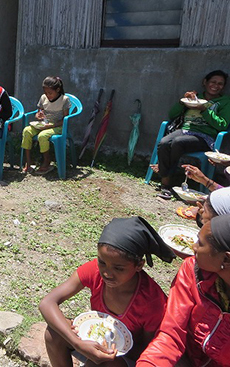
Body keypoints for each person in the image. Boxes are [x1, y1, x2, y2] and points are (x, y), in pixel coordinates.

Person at [39, 217, 176, 367]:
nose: (107, 273)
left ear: (139, 265)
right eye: (102, 262)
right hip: (95, 343)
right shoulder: (94, 271)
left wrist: (110, 349)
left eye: (119, 268)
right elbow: (47, 302)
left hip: (127, 358)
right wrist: (77, 342)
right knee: (54, 334)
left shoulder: (151, 301)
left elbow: (149, 349)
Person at [137, 214, 230, 367]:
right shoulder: (193, 271)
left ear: (226, 260)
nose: (193, 247)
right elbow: (171, 333)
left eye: (200, 243)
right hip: (184, 358)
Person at [153, 70, 230, 199]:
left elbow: (222, 125)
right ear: (205, 82)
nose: (216, 86)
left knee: (178, 143)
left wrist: (205, 110)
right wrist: (182, 102)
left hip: (205, 136)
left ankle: (165, 181)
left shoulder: (225, 101)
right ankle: (166, 176)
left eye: (220, 84)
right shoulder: (194, 97)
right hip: (185, 130)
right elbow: (172, 115)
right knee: (164, 142)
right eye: (213, 82)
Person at [21, 76, 70, 174]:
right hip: (44, 125)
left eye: (50, 93)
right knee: (26, 130)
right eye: (46, 93)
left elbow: (65, 120)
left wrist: (51, 126)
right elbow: (39, 112)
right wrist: (38, 116)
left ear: (58, 90)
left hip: (57, 127)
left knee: (42, 136)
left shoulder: (64, 100)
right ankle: (28, 161)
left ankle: (47, 160)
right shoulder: (43, 98)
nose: (48, 95)